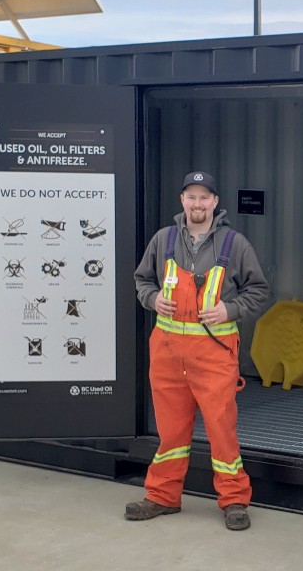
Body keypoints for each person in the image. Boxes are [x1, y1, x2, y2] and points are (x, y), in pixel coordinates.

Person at [127, 171, 270, 531]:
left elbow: (259, 290)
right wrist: (153, 298)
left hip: (214, 353)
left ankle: (235, 500)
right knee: (171, 432)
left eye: (204, 197)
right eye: (191, 196)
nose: (197, 203)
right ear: (182, 201)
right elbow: (142, 280)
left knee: (222, 429)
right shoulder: (164, 240)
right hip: (168, 353)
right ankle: (162, 496)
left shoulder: (235, 245)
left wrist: (229, 309)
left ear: (215, 203)